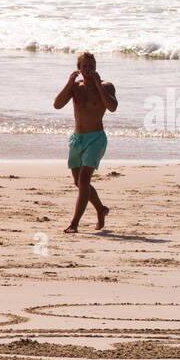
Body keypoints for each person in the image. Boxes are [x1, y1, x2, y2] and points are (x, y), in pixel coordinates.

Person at [53, 51, 116, 233]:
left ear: (95, 67)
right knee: (79, 183)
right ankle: (101, 209)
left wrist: (97, 84)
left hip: (96, 138)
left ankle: (74, 224)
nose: (88, 70)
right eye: (85, 67)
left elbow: (112, 107)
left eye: (91, 66)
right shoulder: (75, 87)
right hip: (77, 139)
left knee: (84, 179)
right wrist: (69, 83)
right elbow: (57, 105)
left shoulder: (106, 86)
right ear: (79, 68)